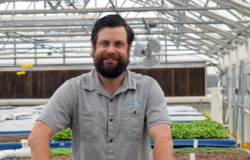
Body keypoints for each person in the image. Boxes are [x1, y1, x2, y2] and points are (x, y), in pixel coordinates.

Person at [28, 14, 173, 160]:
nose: (111, 50)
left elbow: (163, 137)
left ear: (129, 49)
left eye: (118, 44)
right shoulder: (73, 90)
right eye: (104, 43)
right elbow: (38, 135)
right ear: (93, 47)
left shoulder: (148, 88)